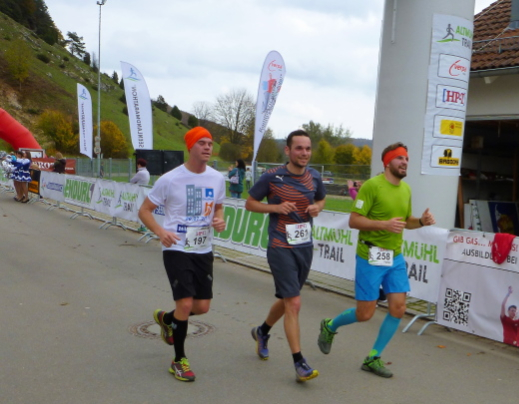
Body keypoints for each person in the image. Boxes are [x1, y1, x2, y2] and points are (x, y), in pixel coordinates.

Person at [318, 142, 435, 378]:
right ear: (388, 162)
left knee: (398, 308)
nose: (405, 162)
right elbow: (354, 220)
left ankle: (373, 357)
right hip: (370, 256)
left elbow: (406, 222)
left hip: (395, 257)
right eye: (400, 158)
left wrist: (421, 221)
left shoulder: (406, 189)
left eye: (407, 159)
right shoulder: (372, 186)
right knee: (365, 314)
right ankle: (330, 326)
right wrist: (383, 225)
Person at [138, 126, 226, 382]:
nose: (207, 147)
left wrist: (219, 219)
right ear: (190, 147)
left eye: (210, 143)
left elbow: (219, 207)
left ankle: (168, 319)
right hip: (176, 247)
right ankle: (179, 360)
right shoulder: (170, 179)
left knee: (202, 307)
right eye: (202, 143)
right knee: (185, 304)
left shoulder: (217, 178)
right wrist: (160, 231)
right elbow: (144, 210)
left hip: (203, 248)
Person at [245, 130, 326, 383]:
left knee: (288, 298)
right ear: (288, 150)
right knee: (294, 302)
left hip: (304, 246)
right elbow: (250, 203)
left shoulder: (314, 176)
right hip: (280, 246)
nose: (304, 153)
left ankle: (262, 331)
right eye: (299, 148)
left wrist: (316, 208)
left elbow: (321, 200)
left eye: (308, 148)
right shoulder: (273, 176)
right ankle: (299, 362)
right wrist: (276, 207)